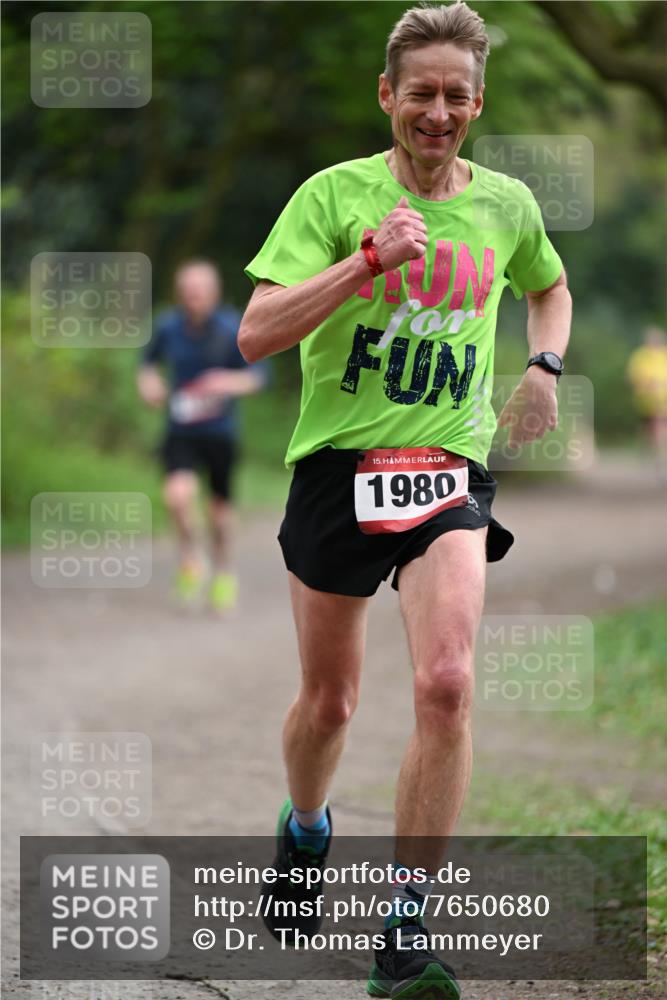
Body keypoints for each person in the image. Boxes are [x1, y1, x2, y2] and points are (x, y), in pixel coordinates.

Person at [239, 3, 571, 996]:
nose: (437, 112)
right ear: (388, 96)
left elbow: (546, 284)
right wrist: (368, 261)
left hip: (446, 470)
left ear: (477, 103)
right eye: (419, 93)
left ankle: (403, 929)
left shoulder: (506, 204)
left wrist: (544, 363)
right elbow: (257, 333)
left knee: (446, 685)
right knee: (330, 701)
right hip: (337, 467)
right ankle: (306, 830)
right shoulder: (331, 196)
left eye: (455, 95)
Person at [138, 260, 265, 612]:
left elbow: (257, 377)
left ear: (214, 292)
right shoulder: (168, 326)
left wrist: (225, 382)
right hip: (180, 430)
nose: (193, 298)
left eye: (199, 291)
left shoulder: (232, 327)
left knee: (219, 514)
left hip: (219, 433)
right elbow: (146, 364)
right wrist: (149, 384)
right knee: (177, 498)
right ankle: (191, 559)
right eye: (187, 292)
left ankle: (224, 570)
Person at [626, 326, 667, 480]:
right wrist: (648, 385)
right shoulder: (641, 356)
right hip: (647, 400)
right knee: (653, 428)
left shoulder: (664, 355)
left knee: (658, 426)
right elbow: (633, 378)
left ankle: (659, 458)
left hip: (663, 401)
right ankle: (654, 452)